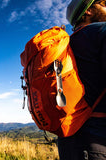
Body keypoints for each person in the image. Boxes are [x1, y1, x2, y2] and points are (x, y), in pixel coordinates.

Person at [57, 0, 106, 159]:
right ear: (88, 11)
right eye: (103, 3)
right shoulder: (102, 31)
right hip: (99, 140)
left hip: (68, 141)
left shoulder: (64, 47)